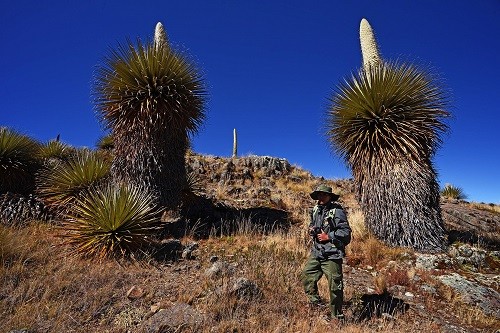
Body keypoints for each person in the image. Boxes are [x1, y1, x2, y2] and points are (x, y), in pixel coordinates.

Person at [302, 184, 351, 321]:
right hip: (317, 253)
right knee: (307, 276)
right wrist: (312, 229)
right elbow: (312, 224)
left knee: (335, 287)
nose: (321, 197)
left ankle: (337, 317)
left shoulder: (337, 211)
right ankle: (315, 302)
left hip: (332, 255)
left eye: (323, 194)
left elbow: (346, 233)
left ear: (330, 196)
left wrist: (328, 236)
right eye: (319, 194)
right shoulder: (316, 209)